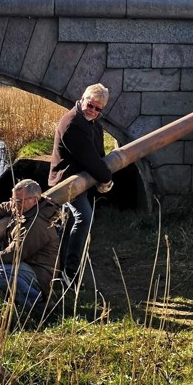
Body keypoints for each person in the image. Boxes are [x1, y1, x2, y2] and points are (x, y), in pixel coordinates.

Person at [48, 83, 114, 282]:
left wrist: (102, 175)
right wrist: (106, 178)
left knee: (67, 225)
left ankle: (57, 268)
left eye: (97, 109)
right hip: (67, 182)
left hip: (80, 181)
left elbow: (98, 155)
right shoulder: (72, 124)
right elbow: (89, 158)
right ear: (82, 99)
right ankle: (70, 271)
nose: (92, 111)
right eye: (90, 105)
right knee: (83, 217)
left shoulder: (93, 124)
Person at [0, 179, 61, 308]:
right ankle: (19, 299)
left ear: (34, 200)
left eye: (17, 201)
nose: (13, 205)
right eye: (13, 199)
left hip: (38, 273)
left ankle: (38, 301)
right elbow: (3, 207)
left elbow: (14, 253)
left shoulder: (37, 223)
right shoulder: (25, 208)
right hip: (26, 265)